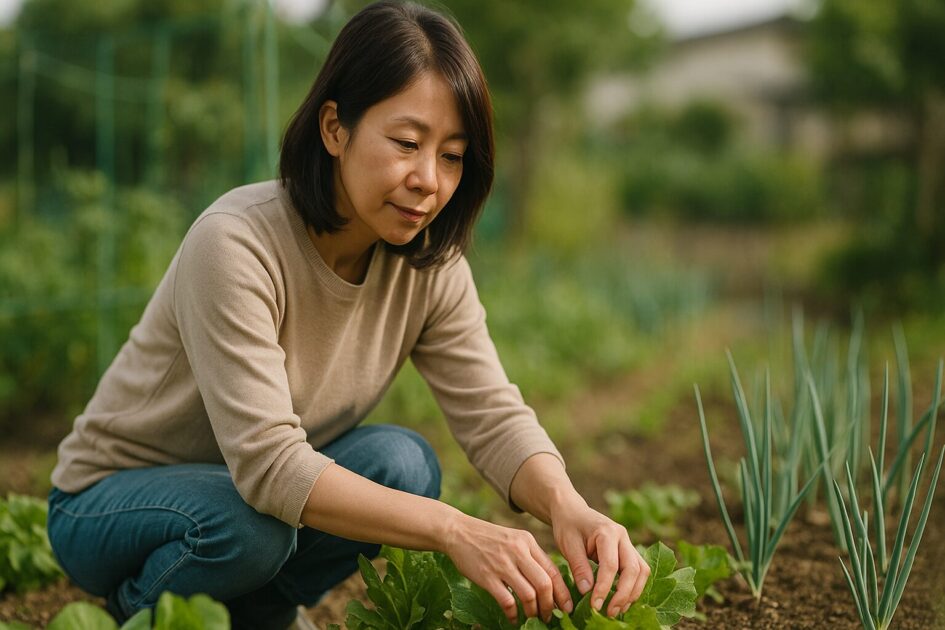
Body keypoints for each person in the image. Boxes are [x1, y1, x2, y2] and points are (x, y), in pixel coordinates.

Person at [46, 2, 649, 628]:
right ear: (335, 129)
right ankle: (139, 611)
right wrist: (454, 530)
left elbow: (491, 413)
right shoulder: (235, 244)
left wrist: (567, 505)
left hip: (243, 497)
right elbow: (270, 467)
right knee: (252, 527)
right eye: (407, 143)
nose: (428, 180)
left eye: (451, 155)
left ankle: (262, 615)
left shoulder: (428, 268)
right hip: (111, 501)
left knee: (403, 463)